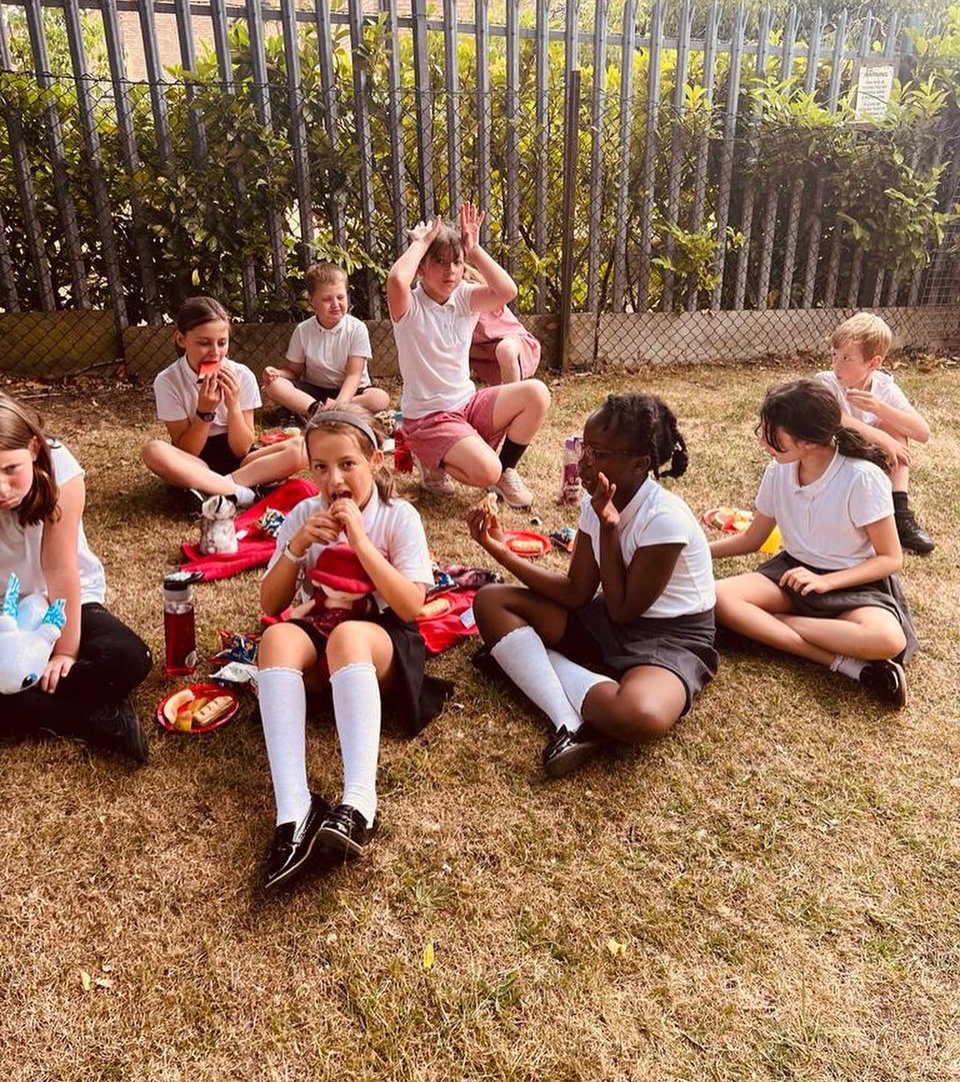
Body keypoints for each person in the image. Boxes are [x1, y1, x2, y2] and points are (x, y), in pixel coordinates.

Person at [467, 392, 717, 778]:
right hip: (607, 619)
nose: (583, 463)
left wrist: (610, 527)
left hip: (671, 636)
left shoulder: (664, 519)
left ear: (640, 464)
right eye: (585, 448)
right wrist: (499, 549)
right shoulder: (594, 502)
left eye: (598, 454)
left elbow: (624, 609)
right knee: (490, 602)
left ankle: (529, 665)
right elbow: (576, 591)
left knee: (639, 715)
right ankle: (567, 717)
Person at [256, 407, 450, 889]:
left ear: (374, 461)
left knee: (347, 637)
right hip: (320, 627)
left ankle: (360, 804)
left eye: (347, 464)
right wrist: (297, 546)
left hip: (380, 638)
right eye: (320, 467)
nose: (334, 480)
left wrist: (362, 543)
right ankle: (294, 811)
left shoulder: (397, 516)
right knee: (276, 639)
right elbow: (271, 603)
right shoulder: (305, 514)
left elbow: (410, 605)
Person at [710, 379, 917, 707]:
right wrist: (693, 550)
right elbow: (753, 538)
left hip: (853, 583)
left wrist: (826, 582)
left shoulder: (861, 478)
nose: (762, 441)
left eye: (771, 434)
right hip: (792, 574)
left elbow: (891, 558)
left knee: (889, 639)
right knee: (718, 597)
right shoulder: (777, 472)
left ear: (806, 441)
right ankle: (846, 665)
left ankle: (770, 625)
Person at [0, 393, 152, 762]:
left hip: (66, 602)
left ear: (34, 448)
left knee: (129, 657)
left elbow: (60, 568)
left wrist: (65, 652)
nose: (1, 488)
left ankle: (25, 697)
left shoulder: (61, 470)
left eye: (10, 469)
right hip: (6, 614)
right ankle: (95, 718)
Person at [386, 204, 551, 508]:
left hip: (467, 403)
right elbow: (396, 280)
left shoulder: (464, 297)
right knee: (486, 470)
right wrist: (420, 243)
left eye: (456, 262)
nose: (449, 270)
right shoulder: (409, 305)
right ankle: (430, 458)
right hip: (428, 418)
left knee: (536, 394)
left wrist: (474, 250)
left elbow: (507, 291)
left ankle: (506, 472)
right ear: (421, 268)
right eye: (439, 262)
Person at [141, 296, 305, 505]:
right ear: (181, 340)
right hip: (195, 463)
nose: (215, 353)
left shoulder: (242, 375)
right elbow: (188, 451)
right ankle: (244, 494)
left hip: (242, 464)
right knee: (153, 451)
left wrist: (233, 405)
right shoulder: (168, 380)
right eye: (204, 343)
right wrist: (204, 412)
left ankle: (216, 489)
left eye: (222, 343)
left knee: (303, 447)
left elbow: (242, 450)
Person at [818, 312, 933, 553]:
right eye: (834, 355)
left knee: (894, 427)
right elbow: (838, 418)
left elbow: (922, 433)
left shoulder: (884, 387)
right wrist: (882, 439)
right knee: (879, 432)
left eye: (847, 359)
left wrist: (880, 408)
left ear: (873, 363)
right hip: (837, 459)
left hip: (872, 463)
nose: (836, 365)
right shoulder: (826, 383)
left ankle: (900, 514)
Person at [262, 261, 391, 419]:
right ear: (311, 300)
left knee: (379, 398)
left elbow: (353, 375)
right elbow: (294, 372)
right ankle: (316, 410)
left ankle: (324, 411)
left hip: (351, 392)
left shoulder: (357, 328)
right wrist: (278, 373)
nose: (335, 304)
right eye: (327, 299)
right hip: (316, 393)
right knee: (274, 385)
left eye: (340, 297)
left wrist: (339, 403)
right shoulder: (303, 330)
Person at [463, 264, 541, 386]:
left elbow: (509, 291)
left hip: (511, 342)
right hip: (482, 347)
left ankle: (512, 395)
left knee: (505, 350)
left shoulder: (471, 291)